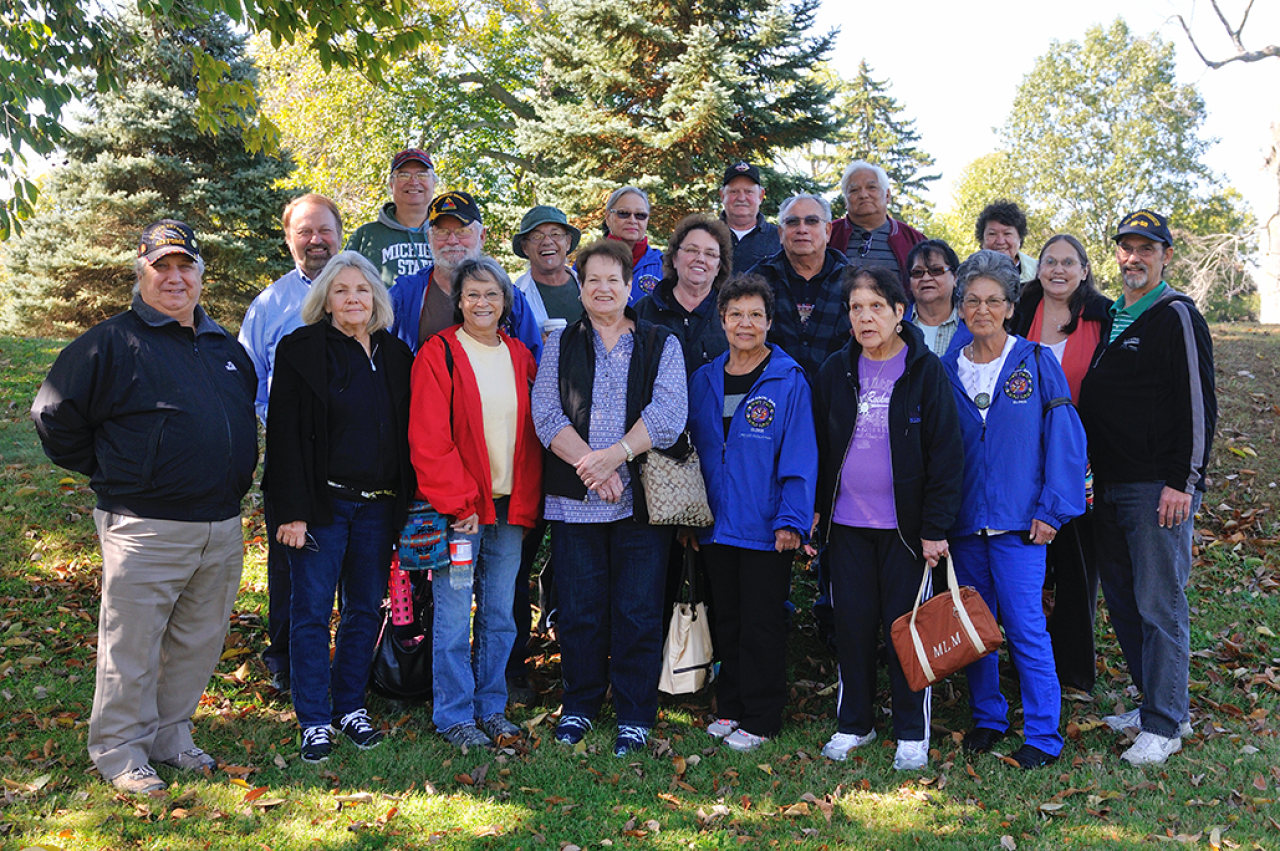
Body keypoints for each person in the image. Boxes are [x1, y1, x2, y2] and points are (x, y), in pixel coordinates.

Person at [32, 220, 257, 793]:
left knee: (197, 641)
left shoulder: (224, 347)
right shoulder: (110, 342)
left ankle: (170, 735)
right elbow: (53, 414)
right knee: (131, 645)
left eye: (186, 266)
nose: (175, 278)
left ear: (202, 275)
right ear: (142, 275)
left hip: (220, 525)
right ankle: (119, 749)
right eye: (162, 267)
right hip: (144, 525)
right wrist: (114, 470)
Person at [531, 239, 688, 758]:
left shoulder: (659, 342)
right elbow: (547, 417)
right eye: (593, 280)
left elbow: (668, 415)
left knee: (638, 610)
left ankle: (635, 713)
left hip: (640, 500)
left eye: (613, 280)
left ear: (629, 286)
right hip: (576, 501)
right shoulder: (559, 343)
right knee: (579, 610)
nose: (603, 289)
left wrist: (614, 457)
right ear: (581, 286)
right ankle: (578, 703)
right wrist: (593, 469)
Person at [265, 251, 415, 763]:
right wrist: (291, 511)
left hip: (379, 507)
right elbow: (284, 436)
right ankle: (313, 717)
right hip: (321, 505)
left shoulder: (396, 355)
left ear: (376, 298)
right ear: (325, 300)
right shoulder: (301, 349)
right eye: (342, 290)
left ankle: (350, 704)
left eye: (362, 290)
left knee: (364, 609)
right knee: (309, 611)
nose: (353, 298)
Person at [1078, 209, 1216, 765]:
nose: (1134, 257)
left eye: (1146, 249)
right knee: (1125, 601)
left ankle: (1165, 722)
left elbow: (1199, 403)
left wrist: (1184, 481)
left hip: (1157, 487)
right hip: (1109, 485)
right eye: (1126, 248)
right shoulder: (1114, 315)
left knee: (1160, 603)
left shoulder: (1175, 313)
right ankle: (1152, 702)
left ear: (1165, 256)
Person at [941, 249, 1087, 770]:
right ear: (960, 307)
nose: (982, 309)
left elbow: (1065, 439)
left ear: (1009, 307)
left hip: (1021, 525)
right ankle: (988, 717)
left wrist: (1052, 509)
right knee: (978, 629)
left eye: (994, 301)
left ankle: (1044, 733)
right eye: (972, 300)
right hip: (963, 527)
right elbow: (935, 451)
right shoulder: (945, 369)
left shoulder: (1035, 361)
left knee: (1025, 628)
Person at [812, 265, 963, 772]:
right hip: (847, 526)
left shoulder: (925, 370)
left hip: (907, 532)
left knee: (907, 630)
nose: (865, 317)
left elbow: (946, 455)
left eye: (876, 306)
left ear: (901, 312)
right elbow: (817, 448)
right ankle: (854, 722)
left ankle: (911, 731)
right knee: (851, 626)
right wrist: (814, 514)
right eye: (857, 307)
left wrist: (936, 528)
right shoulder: (836, 369)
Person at [410, 257, 543, 750]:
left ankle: (491, 707)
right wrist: (457, 501)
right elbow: (429, 439)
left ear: (505, 302)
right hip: (461, 511)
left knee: (500, 614)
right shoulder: (438, 353)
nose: (482, 303)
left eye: (491, 294)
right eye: (472, 295)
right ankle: (453, 714)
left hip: (510, 508)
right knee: (451, 613)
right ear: (458, 302)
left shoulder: (519, 356)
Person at [686, 274, 816, 752]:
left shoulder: (788, 379)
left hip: (766, 526)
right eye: (736, 314)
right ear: (722, 320)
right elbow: (693, 453)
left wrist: (792, 520)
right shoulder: (704, 379)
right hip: (715, 525)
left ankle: (761, 717)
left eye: (756, 315)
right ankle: (731, 707)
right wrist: (690, 518)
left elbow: (800, 455)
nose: (746, 323)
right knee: (729, 621)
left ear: (769, 321)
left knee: (762, 622)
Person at [239, 192, 344, 693]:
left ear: (340, 234)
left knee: (354, 560)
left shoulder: (363, 292)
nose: (315, 240)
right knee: (289, 558)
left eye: (324, 230)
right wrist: (285, 427)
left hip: (355, 455)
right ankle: (283, 655)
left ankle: (353, 655)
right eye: (304, 232)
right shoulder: (269, 305)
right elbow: (248, 378)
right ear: (289, 240)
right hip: (291, 452)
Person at [1013, 235, 1112, 692]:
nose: (1058, 269)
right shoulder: (1020, 310)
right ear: (1038, 268)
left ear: (1085, 270)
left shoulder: (1103, 317)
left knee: (1074, 567)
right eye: (1049, 260)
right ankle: (1022, 668)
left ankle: (1072, 672)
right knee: (1025, 566)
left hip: (1078, 461)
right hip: (1021, 458)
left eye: (1068, 262)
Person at [389, 191, 541, 358]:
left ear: (482, 236)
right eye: (442, 232)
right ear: (429, 238)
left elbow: (534, 363)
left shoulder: (510, 297)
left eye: (462, 231)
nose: (452, 240)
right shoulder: (404, 296)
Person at [748, 194, 850, 380]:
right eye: (793, 222)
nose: (802, 229)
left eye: (811, 221)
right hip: (771, 397)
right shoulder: (757, 280)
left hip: (836, 400)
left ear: (828, 231)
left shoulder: (855, 283)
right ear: (780, 233)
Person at [635, 214, 733, 377]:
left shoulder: (731, 315)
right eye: (691, 250)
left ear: (718, 267)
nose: (700, 259)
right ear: (674, 258)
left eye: (710, 254)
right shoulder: (645, 311)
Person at [828, 160, 926, 288]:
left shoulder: (913, 240)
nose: (863, 195)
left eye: (872, 187)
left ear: (887, 195)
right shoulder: (828, 236)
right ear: (846, 200)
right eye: (854, 190)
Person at [346, 148, 435, 288]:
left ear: (434, 183)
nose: (413, 181)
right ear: (391, 184)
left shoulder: (449, 235)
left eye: (422, 175)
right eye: (404, 175)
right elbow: (343, 285)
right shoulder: (366, 236)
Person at [512, 205, 582, 329]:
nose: (547, 241)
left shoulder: (589, 286)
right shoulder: (515, 298)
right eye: (537, 237)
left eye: (555, 234)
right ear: (525, 247)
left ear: (568, 242)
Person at [600, 186, 664, 303]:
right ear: (608, 217)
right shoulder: (587, 262)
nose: (633, 220)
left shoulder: (664, 265)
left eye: (640, 215)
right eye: (624, 213)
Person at [904, 239, 965, 356]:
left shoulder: (973, 324)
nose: (926, 278)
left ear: (955, 277)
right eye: (917, 272)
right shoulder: (894, 326)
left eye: (936, 270)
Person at [719, 162, 780, 274]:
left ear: (760, 196)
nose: (741, 198)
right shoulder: (708, 236)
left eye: (749, 192)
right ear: (722, 196)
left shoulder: (779, 239)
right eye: (734, 191)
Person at [977, 200, 1037, 288]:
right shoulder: (967, 273)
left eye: (1007, 233)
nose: (1000, 241)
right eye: (992, 234)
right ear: (982, 240)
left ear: (1020, 238)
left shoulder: (1038, 273)